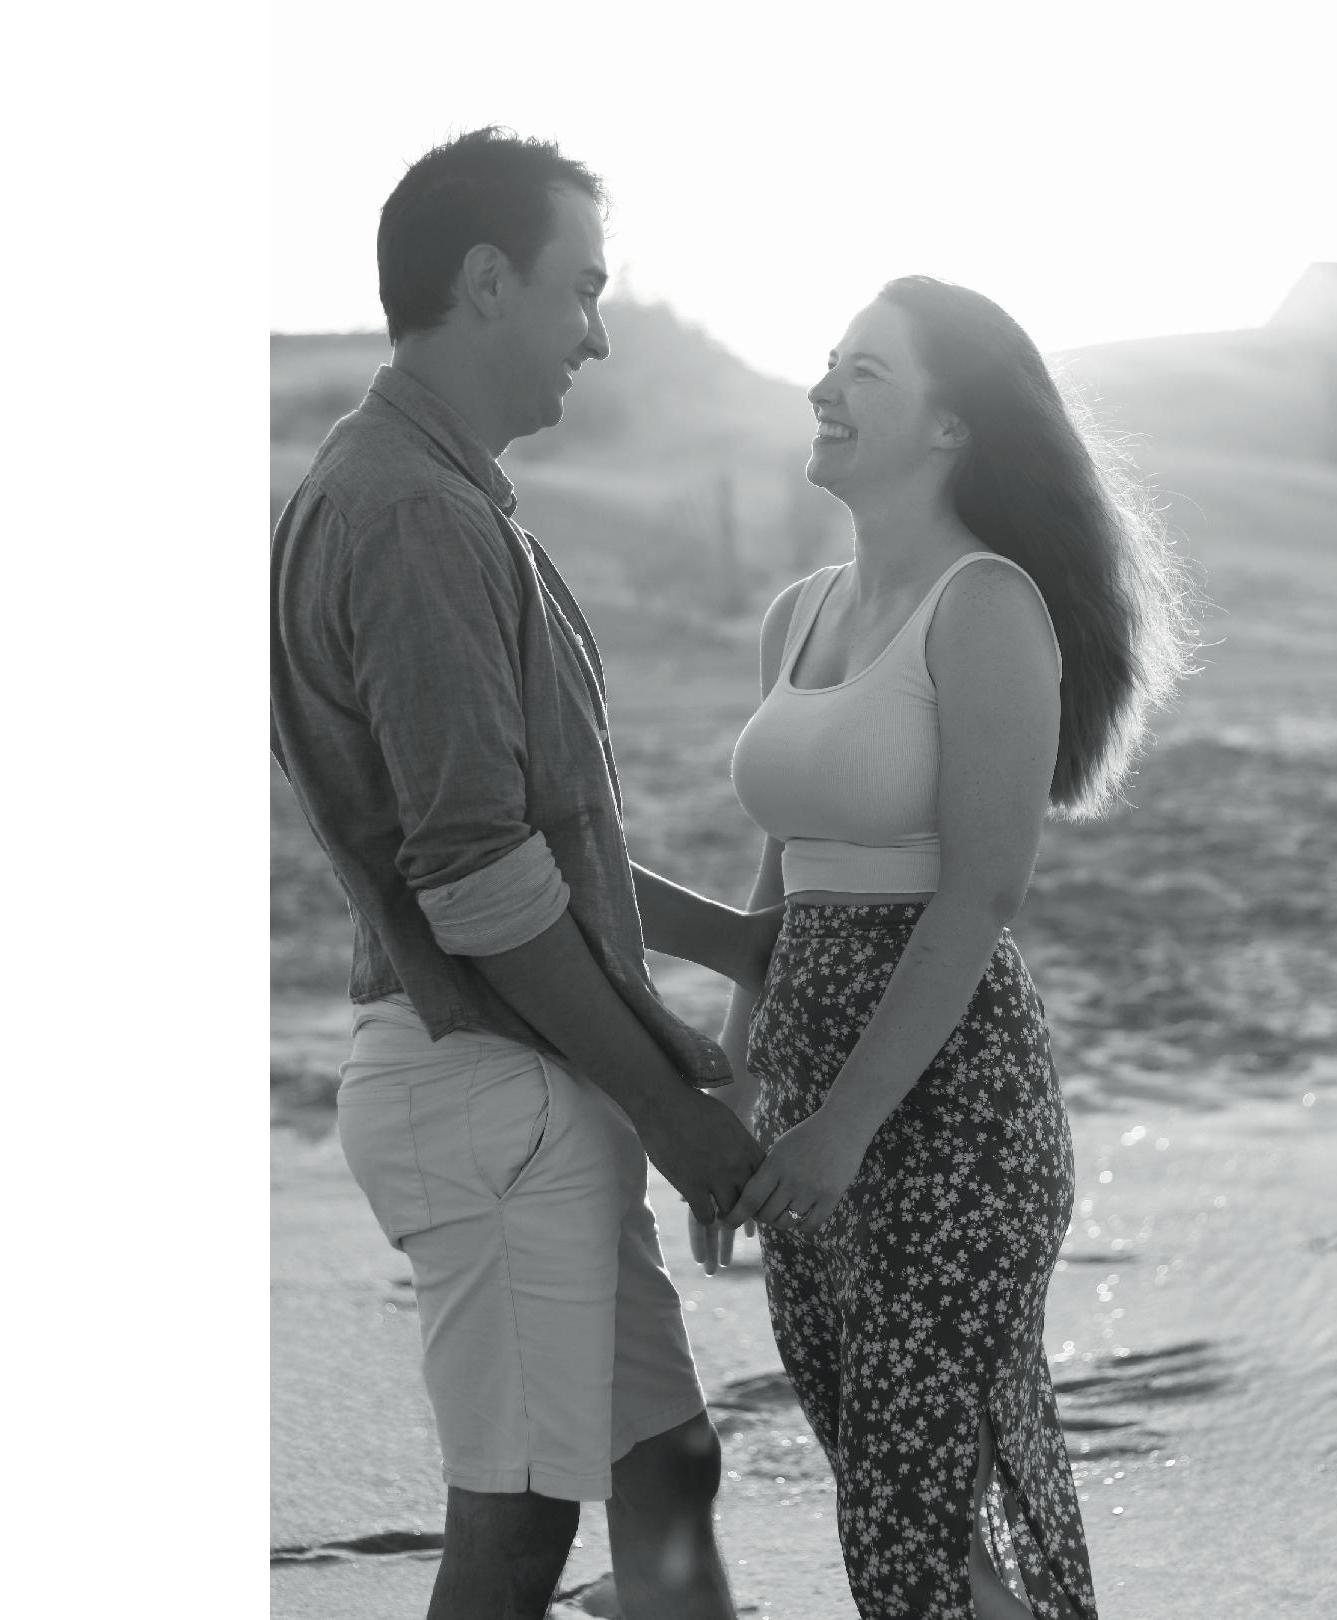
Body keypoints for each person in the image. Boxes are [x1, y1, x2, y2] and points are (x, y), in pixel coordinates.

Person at [270, 128, 774, 1620]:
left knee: (666, 1463)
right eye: (583, 289)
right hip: (484, 1088)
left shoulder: (447, 494)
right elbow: (479, 882)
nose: (598, 336)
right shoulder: (412, 516)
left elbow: (543, 840)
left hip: (524, 1073)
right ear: (488, 281)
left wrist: (731, 945)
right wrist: (673, 1115)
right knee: (516, 1528)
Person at [705, 276, 1197, 1618]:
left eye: (865, 371)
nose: (823, 388)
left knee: (904, 1529)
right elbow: (779, 886)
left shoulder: (986, 606)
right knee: (903, 1509)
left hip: (948, 1114)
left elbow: (980, 895)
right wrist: (736, 1094)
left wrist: (846, 1125)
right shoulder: (799, 615)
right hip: (810, 1100)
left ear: (951, 426)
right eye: (829, 361)